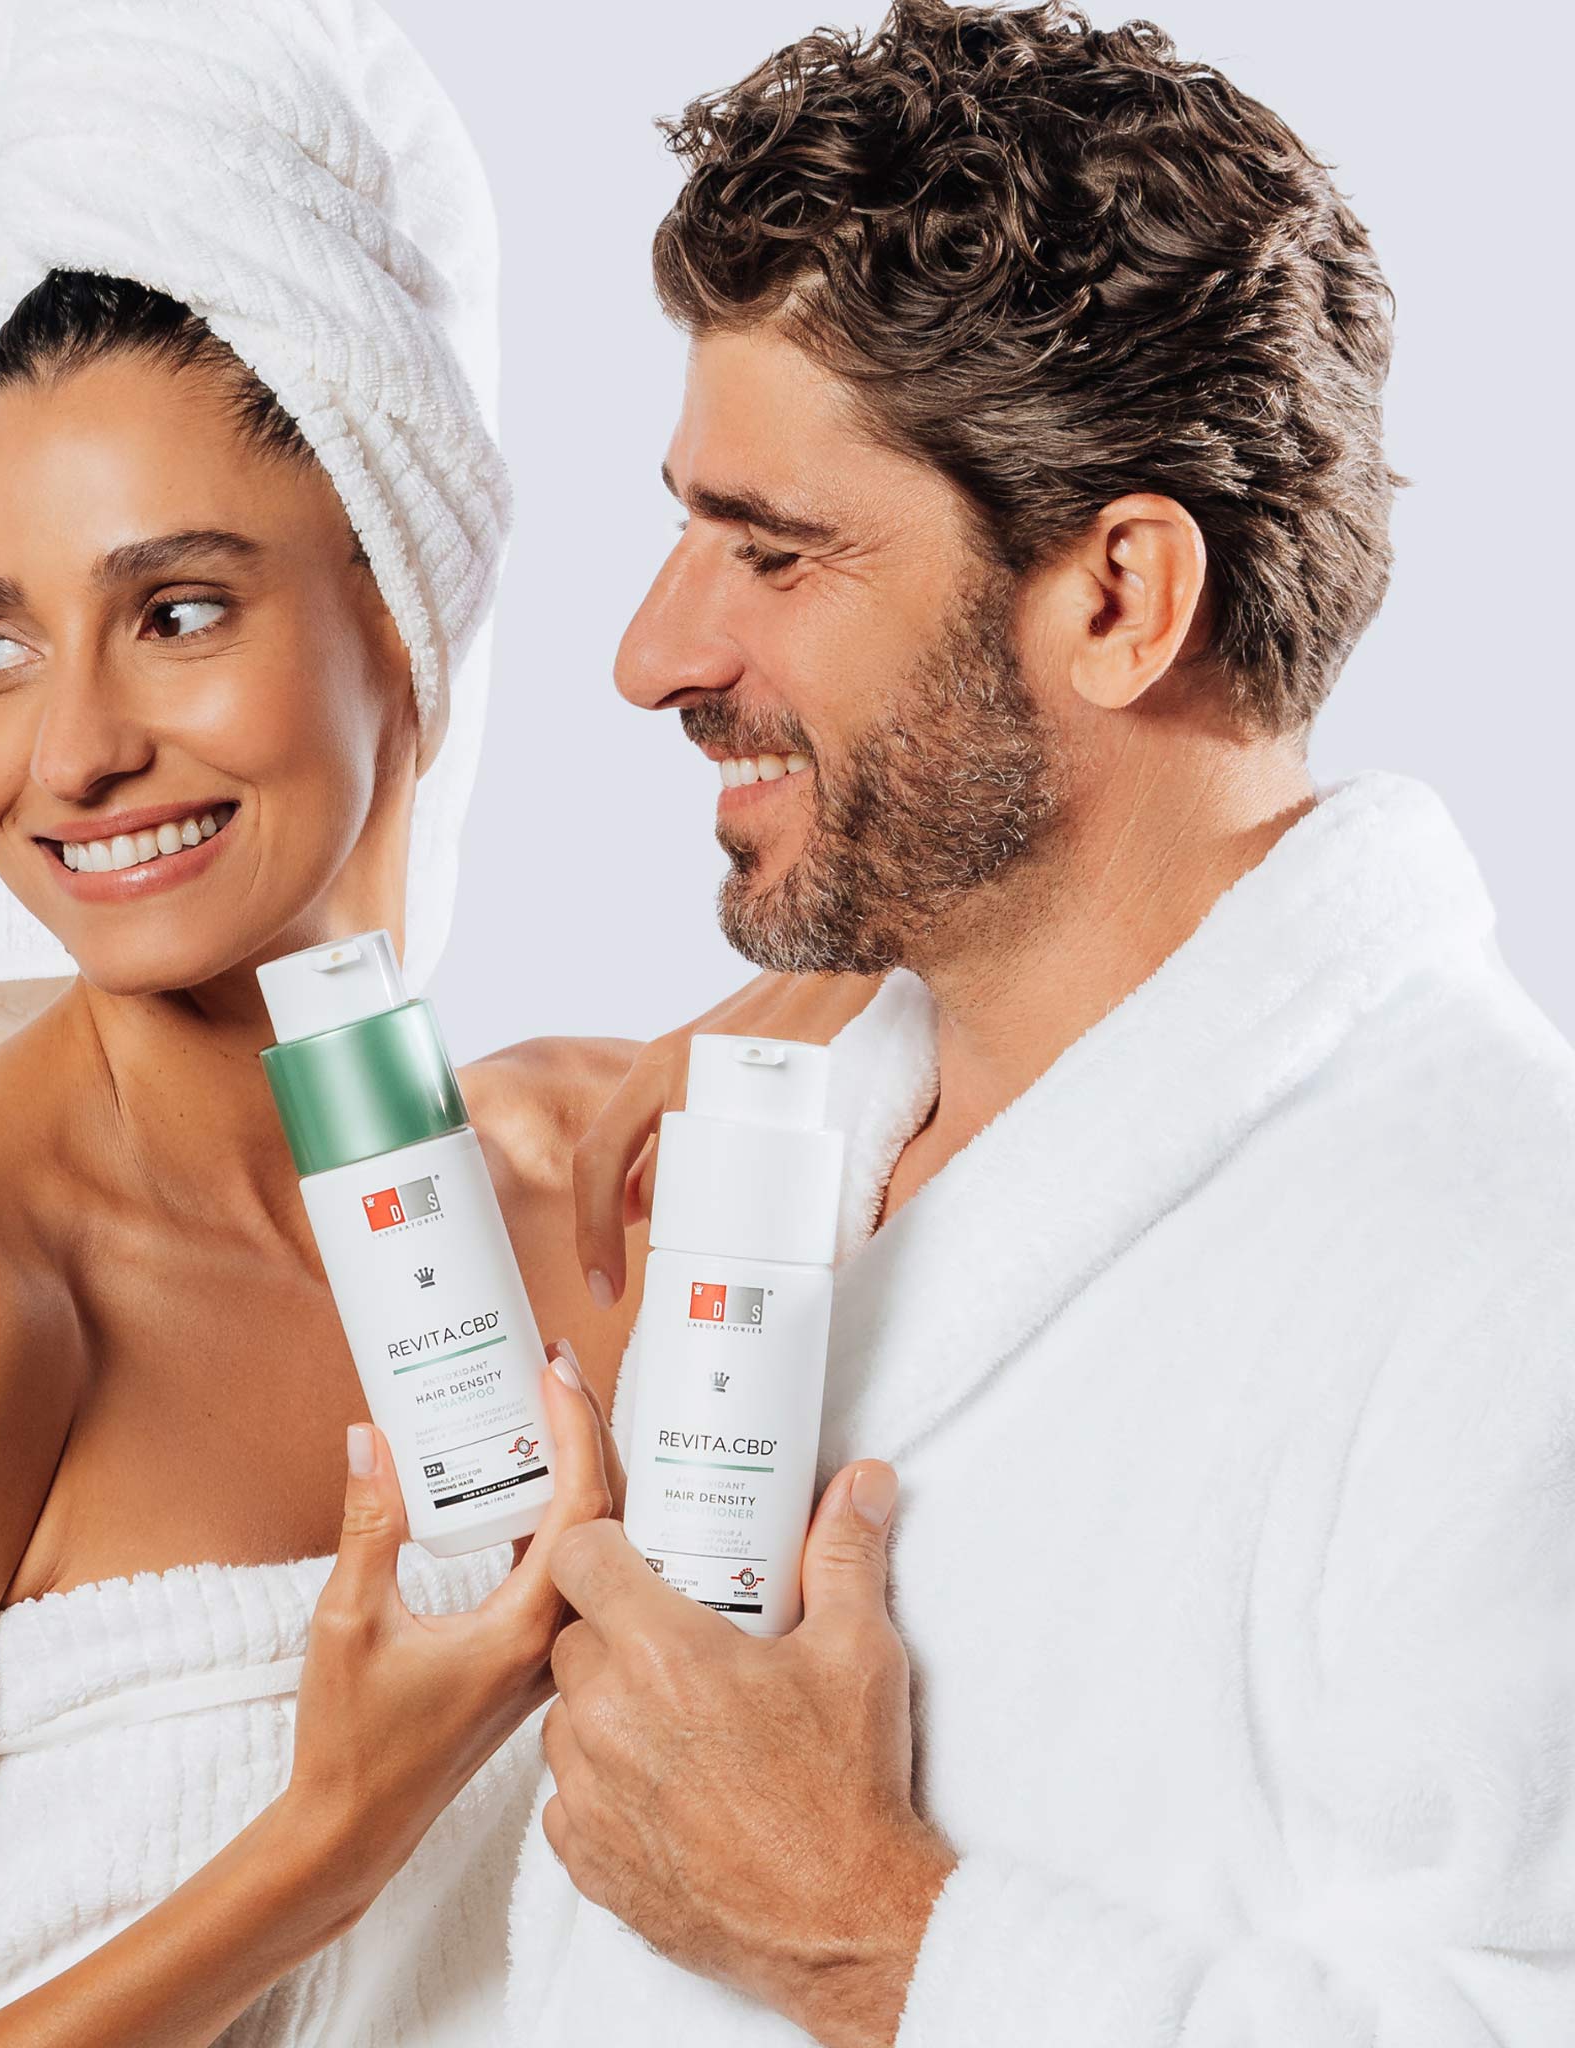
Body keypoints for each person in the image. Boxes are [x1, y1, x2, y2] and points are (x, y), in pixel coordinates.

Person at [508, 4, 1575, 2045]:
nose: (652, 653)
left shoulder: (1505, 1283)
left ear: (1116, 599)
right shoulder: (807, 1136)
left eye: (773, 551)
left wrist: (870, 1934)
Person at [0, 3, 653, 2042]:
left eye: (175, 613)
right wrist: (322, 1840)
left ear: (403, 611)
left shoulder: (618, 1193)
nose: (67, 752)